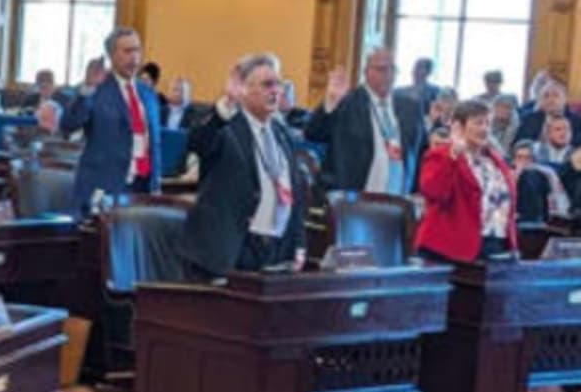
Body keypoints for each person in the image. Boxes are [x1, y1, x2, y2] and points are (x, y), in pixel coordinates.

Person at [179, 53, 311, 279]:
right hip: (231, 249)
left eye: (278, 84)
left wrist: (298, 242)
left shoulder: (282, 134)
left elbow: (294, 193)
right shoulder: (226, 127)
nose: (275, 91)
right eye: (267, 84)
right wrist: (226, 105)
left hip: (274, 252)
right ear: (244, 89)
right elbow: (199, 142)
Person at [64, 27, 163, 214]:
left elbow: (154, 142)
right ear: (111, 55)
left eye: (137, 50)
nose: (134, 57)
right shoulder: (97, 88)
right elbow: (68, 124)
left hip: (141, 187)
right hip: (103, 189)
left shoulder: (147, 93)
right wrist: (87, 89)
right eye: (127, 51)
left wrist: (155, 184)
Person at [303, 46, 425, 195]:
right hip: (354, 199)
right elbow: (313, 133)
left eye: (392, 69)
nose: (388, 75)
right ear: (366, 71)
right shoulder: (348, 102)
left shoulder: (410, 107)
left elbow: (421, 152)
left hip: (399, 200)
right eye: (382, 69)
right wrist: (330, 103)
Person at [416, 99, 517, 262]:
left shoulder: (496, 160)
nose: (484, 129)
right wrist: (454, 155)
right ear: (458, 127)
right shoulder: (441, 155)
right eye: (478, 123)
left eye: (488, 123)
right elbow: (434, 192)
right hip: (451, 249)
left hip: (495, 245)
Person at [516, 81, 571, 147]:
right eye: (546, 96)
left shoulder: (576, 121)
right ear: (540, 100)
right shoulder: (530, 119)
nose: (550, 99)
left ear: (564, 99)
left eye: (556, 95)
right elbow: (519, 142)